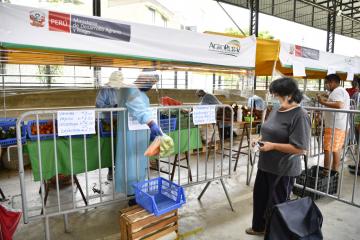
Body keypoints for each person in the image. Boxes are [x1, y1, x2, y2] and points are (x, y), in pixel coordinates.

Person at [246, 77, 310, 236]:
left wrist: (273, 146)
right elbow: (268, 131)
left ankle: (275, 234)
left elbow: (300, 148)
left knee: (277, 203)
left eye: (277, 94)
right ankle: (259, 227)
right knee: (260, 197)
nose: (274, 97)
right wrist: (259, 140)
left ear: (289, 95)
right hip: (265, 164)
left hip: (283, 168)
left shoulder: (300, 115)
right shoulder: (276, 110)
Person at [102, 70, 162, 206]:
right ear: (143, 78)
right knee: (131, 165)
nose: (151, 86)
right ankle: (133, 195)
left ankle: (138, 192)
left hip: (140, 133)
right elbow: (138, 108)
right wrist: (152, 124)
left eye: (153, 83)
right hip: (131, 134)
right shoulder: (130, 89)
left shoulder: (137, 90)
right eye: (150, 82)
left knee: (139, 164)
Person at [317, 74, 350, 173]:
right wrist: (327, 98)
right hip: (339, 125)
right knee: (336, 150)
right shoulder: (340, 91)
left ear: (332, 82)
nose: (326, 85)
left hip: (334, 126)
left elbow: (339, 105)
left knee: (328, 150)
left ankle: (326, 173)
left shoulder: (338, 91)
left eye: (326, 83)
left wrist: (322, 103)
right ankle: (334, 172)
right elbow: (336, 103)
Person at [95, 73, 121, 181]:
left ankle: (120, 169)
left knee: (119, 145)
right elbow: (98, 104)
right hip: (108, 122)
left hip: (120, 121)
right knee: (110, 147)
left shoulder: (122, 89)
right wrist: (112, 107)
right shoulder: (105, 89)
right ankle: (110, 170)